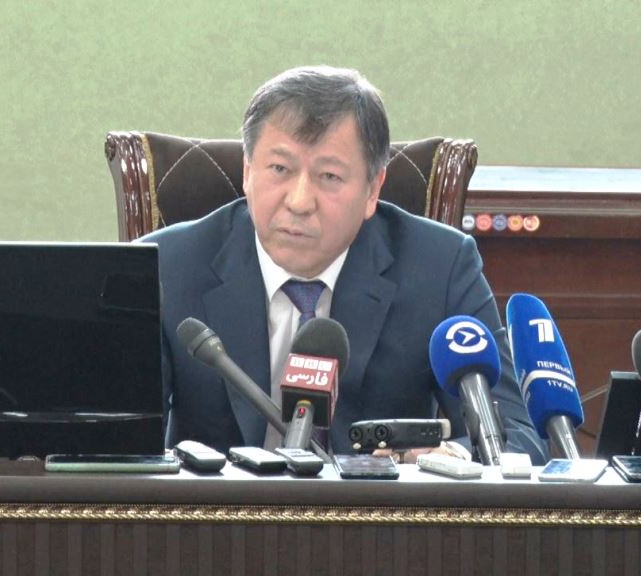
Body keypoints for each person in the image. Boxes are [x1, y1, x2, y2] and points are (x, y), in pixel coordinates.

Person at [143, 66, 548, 464]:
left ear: (372, 190)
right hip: (219, 508)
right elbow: (120, 444)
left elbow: (518, 438)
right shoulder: (167, 266)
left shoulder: (441, 267)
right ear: (248, 171)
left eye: (330, 177)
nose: (299, 201)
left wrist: (445, 456)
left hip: (377, 508)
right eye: (279, 169)